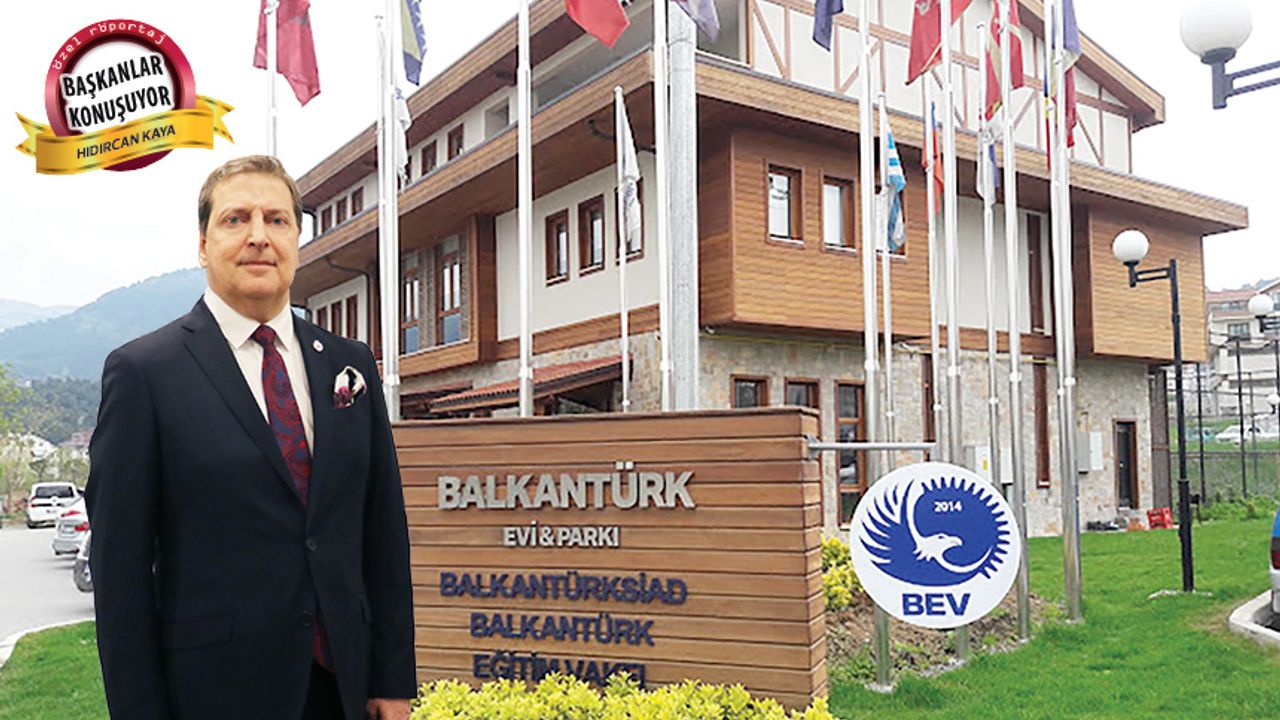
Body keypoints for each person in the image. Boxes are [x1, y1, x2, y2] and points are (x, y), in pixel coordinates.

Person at [86, 155, 415, 720]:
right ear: (203, 244)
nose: (259, 236)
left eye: (277, 220)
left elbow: (382, 531)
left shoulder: (350, 363)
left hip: (343, 689)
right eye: (236, 219)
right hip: (214, 694)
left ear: (297, 241)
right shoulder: (144, 373)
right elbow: (120, 571)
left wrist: (392, 678)